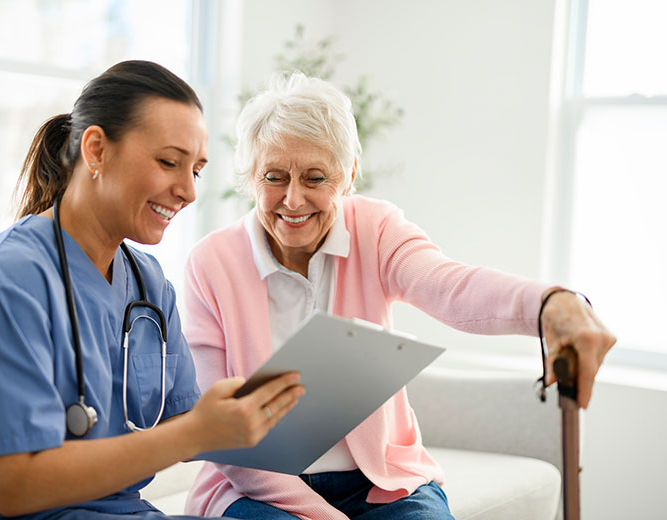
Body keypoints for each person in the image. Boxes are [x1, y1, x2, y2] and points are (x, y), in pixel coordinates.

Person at [182, 72, 616, 520]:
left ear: (348, 176)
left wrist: (549, 302)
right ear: (250, 178)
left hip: (380, 482)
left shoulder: (376, 229)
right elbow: (221, 431)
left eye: (315, 178)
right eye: (274, 177)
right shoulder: (210, 264)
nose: (293, 200)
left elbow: (451, 287)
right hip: (254, 488)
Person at [0, 61, 304, 520]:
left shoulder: (148, 284)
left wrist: (254, 412)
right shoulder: (3, 283)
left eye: (195, 170)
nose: (188, 192)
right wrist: (194, 432)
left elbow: (179, 422)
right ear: (95, 150)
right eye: (169, 162)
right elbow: (14, 487)